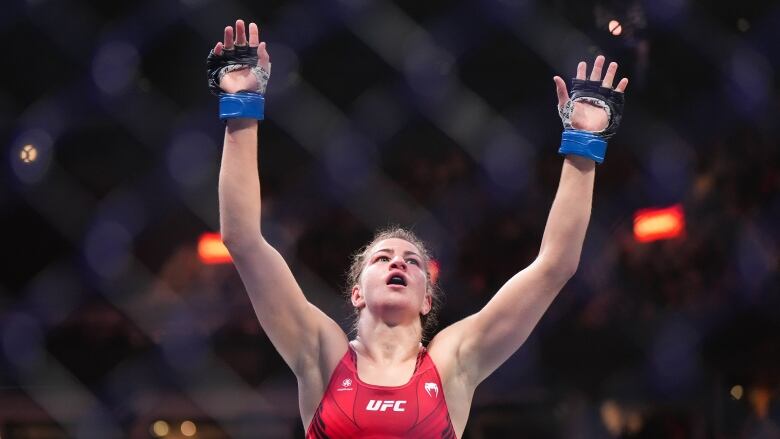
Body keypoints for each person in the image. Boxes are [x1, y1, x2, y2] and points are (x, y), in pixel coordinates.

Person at [208, 19, 628, 438]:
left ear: (427, 298)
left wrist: (583, 145)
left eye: (412, 261)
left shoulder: (453, 361)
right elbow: (242, 239)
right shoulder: (322, 352)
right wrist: (241, 107)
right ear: (357, 292)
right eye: (383, 257)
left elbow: (555, 265)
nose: (398, 262)